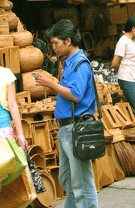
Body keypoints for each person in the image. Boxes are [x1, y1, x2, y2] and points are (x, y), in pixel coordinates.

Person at [35, 20, 98, 208]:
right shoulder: (70, 63)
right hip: (67, 128)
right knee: (68, 179)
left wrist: (51, 84)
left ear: (68, 41)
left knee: (81, 182)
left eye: (55, 43)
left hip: (75, 128)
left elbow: (76, 95)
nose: (53, 47)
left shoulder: (80, 64)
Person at [111, 16, 135, 124]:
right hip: (127, 79)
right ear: (133, 28)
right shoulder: (123, 41)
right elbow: (114, 63)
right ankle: (128, 128)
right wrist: (120, 71)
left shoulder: (133, 41)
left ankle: (132, 132)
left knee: (134, 108)